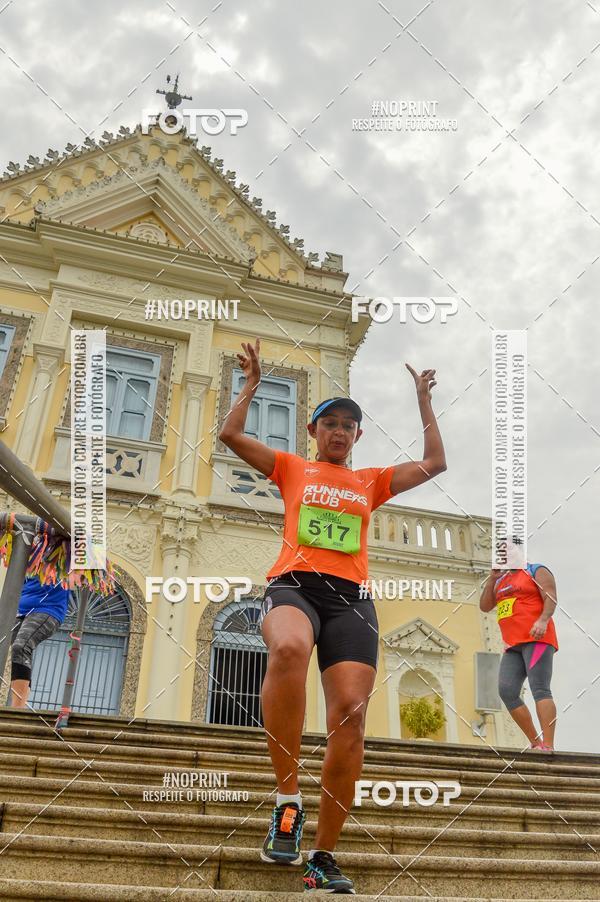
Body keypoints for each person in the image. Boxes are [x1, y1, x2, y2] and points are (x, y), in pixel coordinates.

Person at [218, 337, 446, 895]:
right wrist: (249, 387)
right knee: (289, 650)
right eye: (330, 423)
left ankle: (322, 856)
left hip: (351, 600)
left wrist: (424, 401)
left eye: (349, 425)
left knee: (350, 714)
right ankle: (288, 801)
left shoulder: (369, 481)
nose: (340, 431)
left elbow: (437, 463)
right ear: (314, 432)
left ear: (358, 436)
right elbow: (229, 436)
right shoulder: (293, 468)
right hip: (293, 585)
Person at [479, 538, 558, 751]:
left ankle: (548, 745)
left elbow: (551, 597)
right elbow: (485, 606)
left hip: (537, 640)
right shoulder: (500, 581)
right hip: (513, 645)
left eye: (507, 549)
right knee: (507, 690)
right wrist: (491, 579)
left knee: (539, 688)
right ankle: (535, 742)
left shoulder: (536, 570)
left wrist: (542, 620)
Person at [9, 575, 69, 708]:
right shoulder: (26, 555)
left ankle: (16, 710)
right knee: (18, 655)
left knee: (21, 647)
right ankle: (20, 705)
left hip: (49, 609)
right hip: (20, 610)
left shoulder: (65, 554)